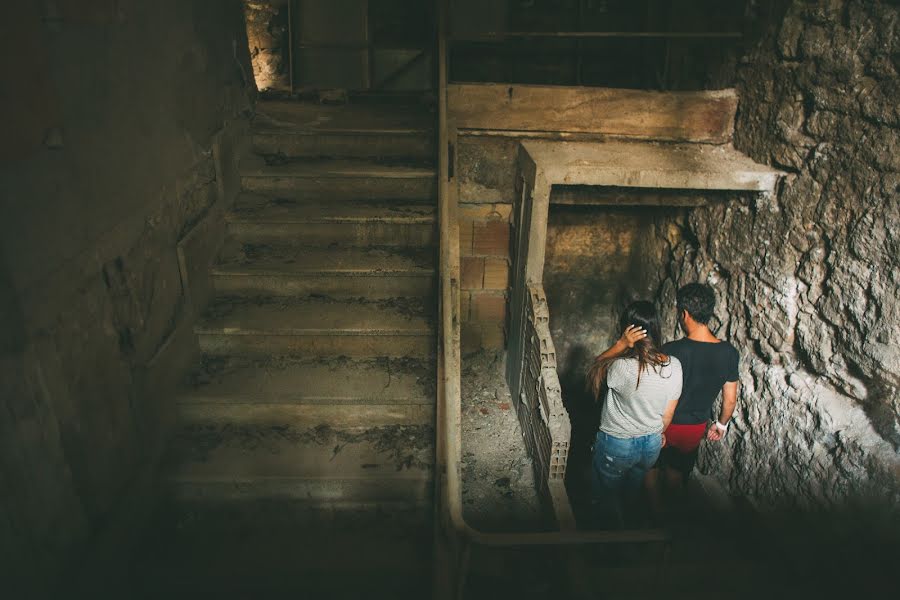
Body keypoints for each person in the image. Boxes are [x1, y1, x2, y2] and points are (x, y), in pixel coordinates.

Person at [587, 301, 682, 527]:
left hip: (617, 444)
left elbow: (594, 368)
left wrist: (621, 343)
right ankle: (632, 526)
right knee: (633, 488)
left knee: (607, 496)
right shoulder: (674, 366)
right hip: (651, 444)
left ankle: (613, 538)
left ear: (627, 329)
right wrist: (658, 433)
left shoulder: (622, 367)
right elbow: (668, 415)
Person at [649, 283, 739, 511]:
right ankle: (674, 521)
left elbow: (654, 391)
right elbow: (730, 400)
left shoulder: (670, 350)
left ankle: (653, 517)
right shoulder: (729, 353)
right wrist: (721, 424)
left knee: (650, 469)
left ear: (685, 314)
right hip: (693, 429)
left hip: (663, 424)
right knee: (676, 475)